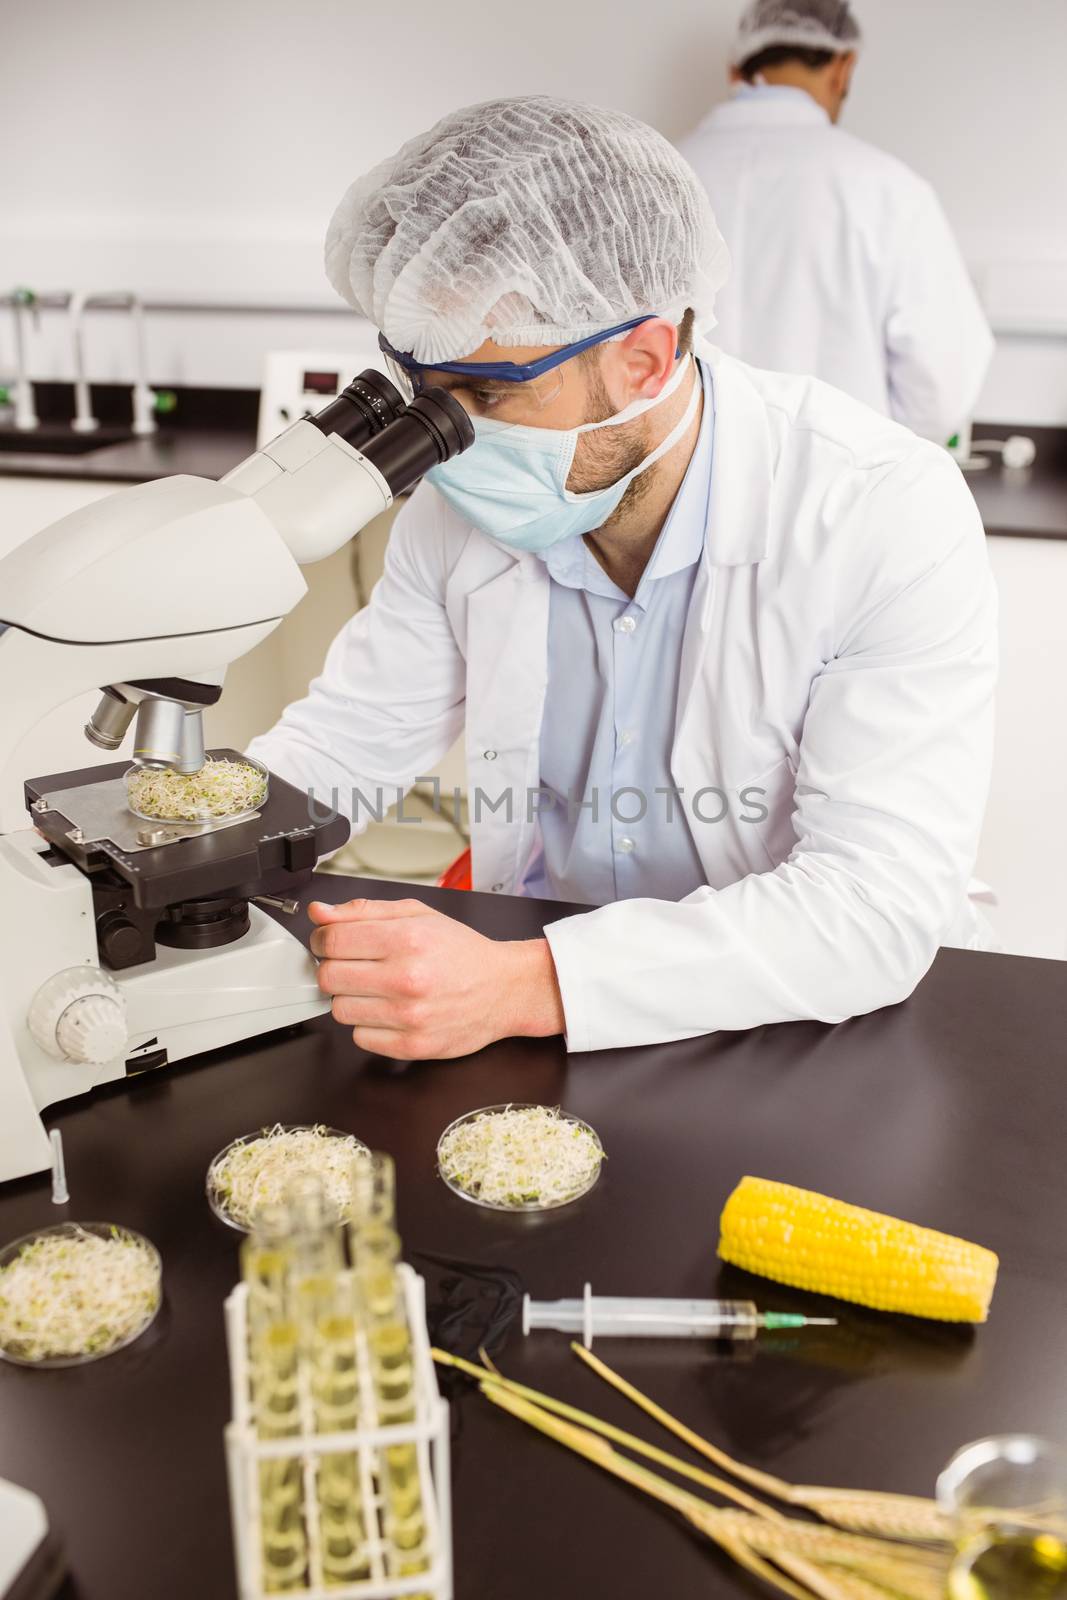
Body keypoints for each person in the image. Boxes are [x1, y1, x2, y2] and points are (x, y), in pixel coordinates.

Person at [247, 96, 996, 1061]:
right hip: (536, 989)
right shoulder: (459, 509)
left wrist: (530, 983)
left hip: (803, 1017)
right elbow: (345, 745)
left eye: (489, 392)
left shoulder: (881, 510)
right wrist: (181, 836)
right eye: (426, 390)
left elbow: (870, 905)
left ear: (643, 359)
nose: (451, 438)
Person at [676, 0, 994, 442]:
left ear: (736, 70)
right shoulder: (889, 189)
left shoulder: (661, 176)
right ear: (844, 68)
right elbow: (941, 394)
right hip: (841, 491)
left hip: (685, 488)